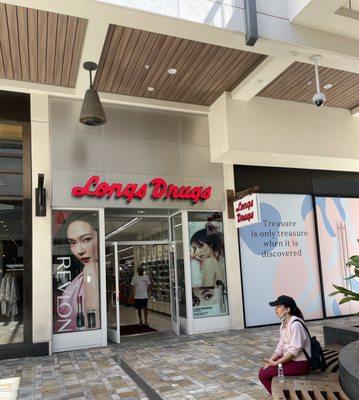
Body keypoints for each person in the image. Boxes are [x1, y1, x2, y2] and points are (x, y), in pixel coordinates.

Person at [53, 213, 100, 332]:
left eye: (86, 239)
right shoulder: (88, 271)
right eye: (73, 243)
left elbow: (93, 322)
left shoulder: (90, 270)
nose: (80, 251)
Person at [258, 295, 311, 395]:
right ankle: (280, 396)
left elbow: (294, 351)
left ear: (287, 309)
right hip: (292, 361)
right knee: (263, 370)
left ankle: (279, 397)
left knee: (264, 374)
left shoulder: (296, 324)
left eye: (278, 306)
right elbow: (280, 347)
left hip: (300, 364)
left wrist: (277, 363)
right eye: (275, 306)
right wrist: (271, 361)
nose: (275, 309)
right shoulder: (283, 325)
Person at [190, 222, 225, 287]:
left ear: (210, 244)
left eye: (200, 246)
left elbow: (206, 292)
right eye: (195, 249)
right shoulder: (214, 262)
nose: (198, 252)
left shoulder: (209, 262)